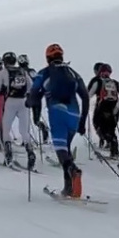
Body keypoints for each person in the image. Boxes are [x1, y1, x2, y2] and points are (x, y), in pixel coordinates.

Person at [28, 43, 89, 198]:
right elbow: (85, 96)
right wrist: (82, 122)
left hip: (57, 113)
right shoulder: (73, 73)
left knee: (61, 150)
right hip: (74, 115)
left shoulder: (44, 73)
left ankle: (73, 171)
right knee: (66, 149)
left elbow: (34, 94)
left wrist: (31, 104)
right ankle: (68, 188)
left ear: (47, 58)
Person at [0, 51, 36, 169]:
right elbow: (31, 86)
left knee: (6, 129)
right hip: (23, 101)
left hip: (10, 101)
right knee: (24, 130)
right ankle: (30, 152)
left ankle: (8, 154)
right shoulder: (22, 71)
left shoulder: (2, 72)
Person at [87, 63, 119, 158]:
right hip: (114, 110)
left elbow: (88, 94)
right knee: (111, 129)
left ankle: (109, 142)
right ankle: (114, 150)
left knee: (99, 127)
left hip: (102, 109)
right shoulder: (116, 83)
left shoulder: (97, 82)